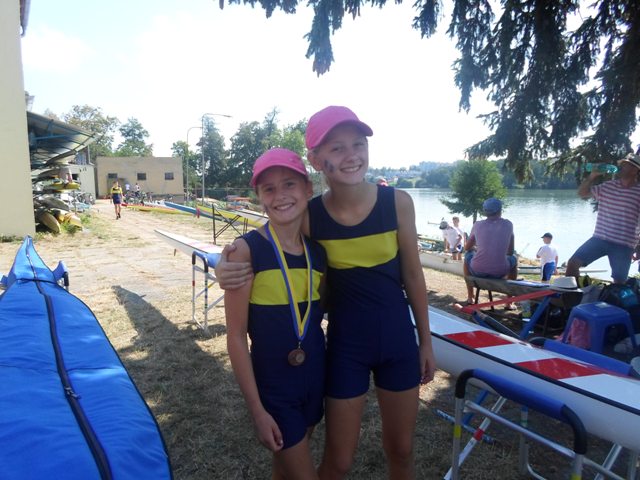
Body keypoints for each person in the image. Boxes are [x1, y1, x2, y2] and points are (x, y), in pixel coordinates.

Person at [217, 106, 436, 479]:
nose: (351, 155)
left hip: (398, 341)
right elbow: (273, 236)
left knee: (402, 450)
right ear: (316, 161)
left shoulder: (397, 203)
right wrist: (225, 264)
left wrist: (426, 341)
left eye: (358, 144)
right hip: (346, 349)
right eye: (337, 148)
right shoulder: (310, 215)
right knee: (339, 462)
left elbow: (413, 275)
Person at [224, 148, 327, 479]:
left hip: (315, 377)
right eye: (269, 188)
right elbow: (236, 336)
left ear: (308, 189)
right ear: (260, 198)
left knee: (285, 468)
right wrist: (257, 410)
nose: (280, 195)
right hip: (274, 386)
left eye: (289, 184)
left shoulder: (318, 252)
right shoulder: (245, 251)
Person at [565, 152, 640, 284]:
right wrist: (592, 176)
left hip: (624, 244)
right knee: (572, 263)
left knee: (619, 282)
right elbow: (582, 193)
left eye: (625, 165)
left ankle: (615, 296)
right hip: (600, 239)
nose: (621, 167)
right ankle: (571, 294)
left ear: (635, 170)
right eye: (622, 164)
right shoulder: (608, 186)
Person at [463, 197, 518, 306]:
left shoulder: (477, 225)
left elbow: (467, 247)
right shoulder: (508, 224)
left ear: (485, 211)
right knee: (514, 259)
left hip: (477, 270)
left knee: (467, 255)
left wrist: (475, 249)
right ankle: (509, 302)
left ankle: (470, 297)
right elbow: (510, 252)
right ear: (500, 210)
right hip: (500, 271)